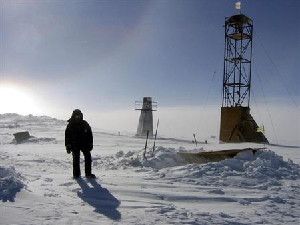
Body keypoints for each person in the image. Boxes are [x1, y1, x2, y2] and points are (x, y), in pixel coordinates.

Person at [65, 109, 95, 179]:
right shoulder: (70, 124)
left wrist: (90, 144)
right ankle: (76, 175)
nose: (77, 117)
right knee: (76, 159)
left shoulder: (85, 123)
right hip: (74, 144)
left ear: (81, 115)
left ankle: (88, 174)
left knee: (88, 158)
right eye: (76, 115)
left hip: (84, 144)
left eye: (78, 115)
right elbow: (67, 136)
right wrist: (67, 146)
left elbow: (90, 134)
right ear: (73, 115)